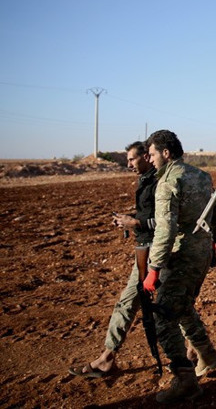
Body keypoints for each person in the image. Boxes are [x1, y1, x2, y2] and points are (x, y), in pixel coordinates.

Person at [141, 130, 216, 403]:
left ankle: (185, 380)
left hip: (180, 256)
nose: (149, 159)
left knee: (164, 317)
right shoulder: (201, 175)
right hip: (201, 252)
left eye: (152, 154)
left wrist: (153, 268)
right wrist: (213, 242)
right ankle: (207, 354)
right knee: (184, 305)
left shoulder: (167, 182)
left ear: (166, 153)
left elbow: (166, 229)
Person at [68, 141, 158, 378]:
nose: (128, 164)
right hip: (143, 252)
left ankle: (196, 352)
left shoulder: (160, 182)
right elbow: (148, 215)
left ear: (147, 157)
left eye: (132, 159)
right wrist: (128, 219)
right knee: (130, 303)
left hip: (156, 254)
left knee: (166, 305)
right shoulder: (145, 181)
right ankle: (107, 358)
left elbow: (166, 220)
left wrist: (134, 222)